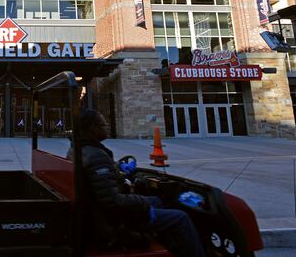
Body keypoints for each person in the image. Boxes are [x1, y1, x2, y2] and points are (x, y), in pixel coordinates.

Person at [68, 108, 206, 257]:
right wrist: (142, 203)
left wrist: (118, 169)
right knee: (181, 217)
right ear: (93, 129)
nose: (107, 127)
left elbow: (102, 181)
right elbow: (111, 201)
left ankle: (168, 247)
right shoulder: (96, 156)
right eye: (104, 124)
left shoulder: (78, 150)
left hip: (97, 214)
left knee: (157, 201)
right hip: (112, 222)